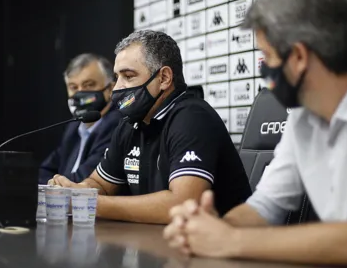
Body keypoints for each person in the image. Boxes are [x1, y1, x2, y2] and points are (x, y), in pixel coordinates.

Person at [163, 0, 347, 268]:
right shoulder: (304, 114)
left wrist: (230, 240)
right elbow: (265, 207)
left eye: (268, 56)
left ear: (299, 56)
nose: (265, 69)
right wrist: (207, 226)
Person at [49, 30, 252, 224]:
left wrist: (90, 203)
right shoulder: (130, 123)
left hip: (221, 248)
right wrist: (75, 191)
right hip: (158, 245)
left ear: (164, 78)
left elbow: (184, 204)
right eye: (117, 77)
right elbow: (101, 184)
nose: (117, 88)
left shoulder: (192, 117)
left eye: (128, 76)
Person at [39, 53, 122, 184]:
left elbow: (84, 180)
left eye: (88, 85)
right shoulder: (74, 127)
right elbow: (45, 170)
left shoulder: (117, 124)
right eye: (73, 87)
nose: (80, 93)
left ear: (110, 89)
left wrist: (52, 187)